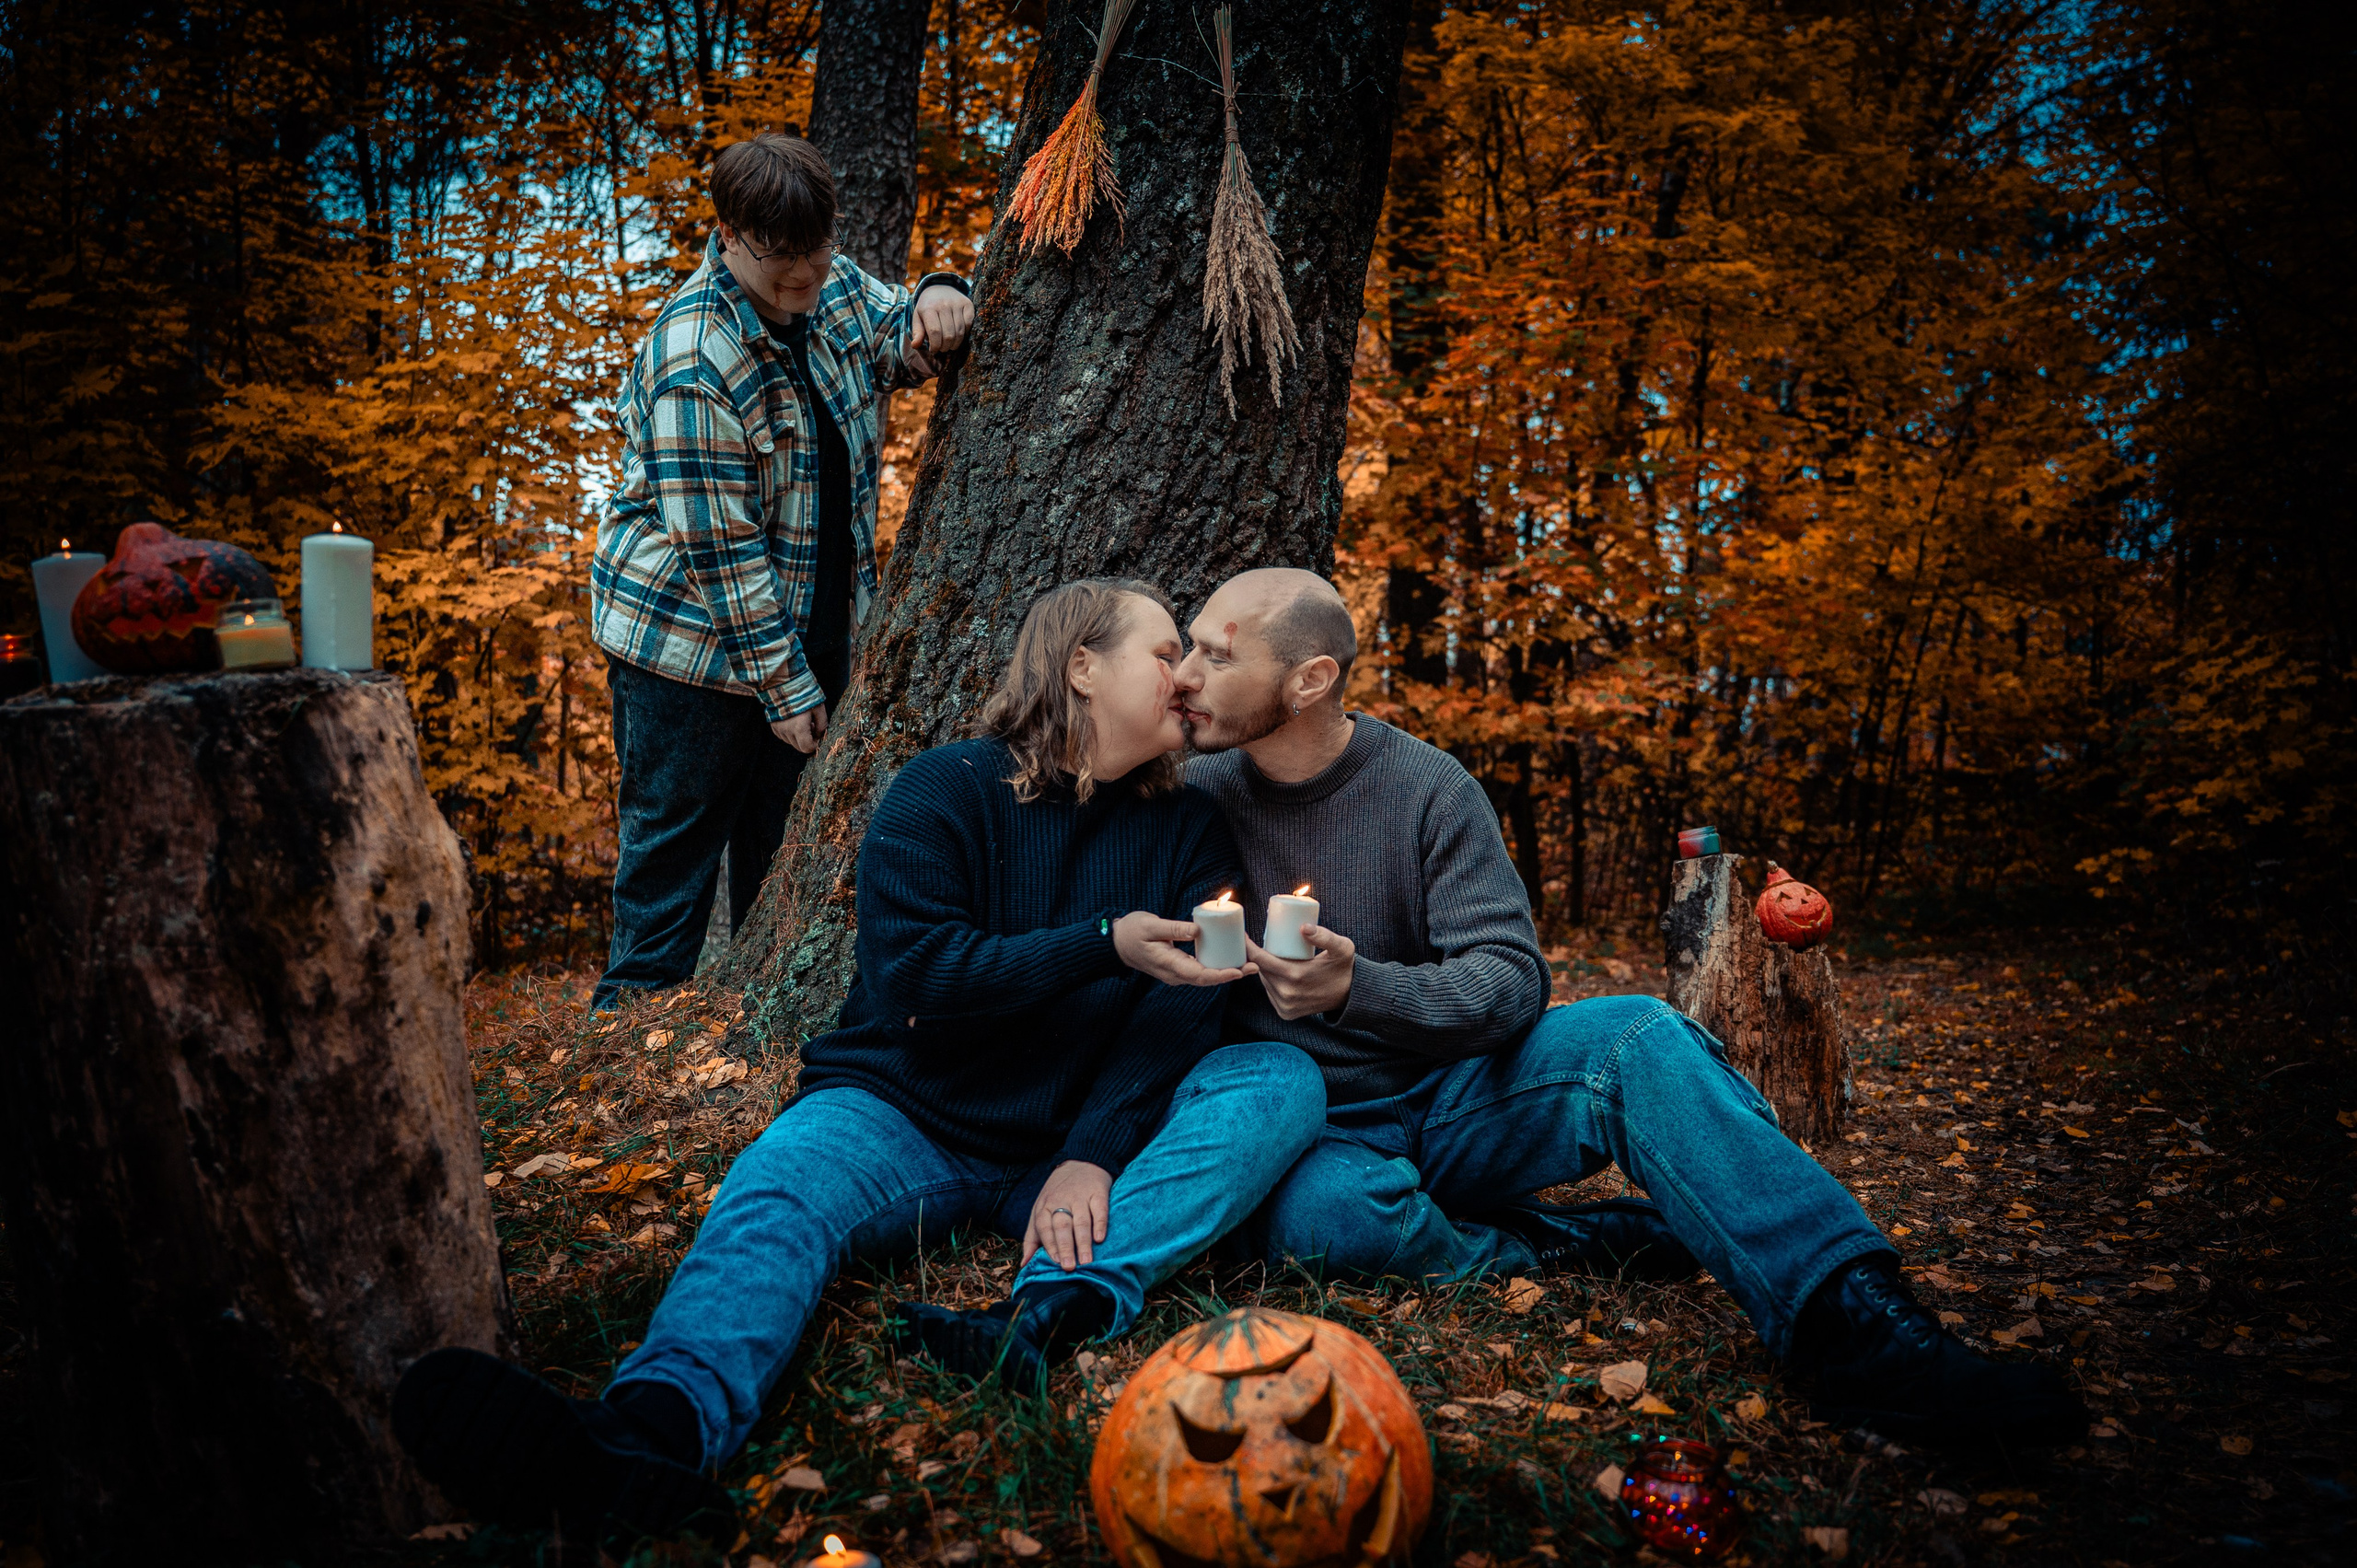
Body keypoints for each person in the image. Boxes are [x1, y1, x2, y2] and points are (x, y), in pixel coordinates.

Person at [393, 579, 1327, 1538]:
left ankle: (1040, 1317)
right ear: (1081, 667)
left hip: (1067, 1148)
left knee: (1276, 1080)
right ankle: (650, 1433)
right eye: (1165, 650)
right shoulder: (947, 788)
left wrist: (1093, 1148)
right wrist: (1100, 941)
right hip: (906, 1113)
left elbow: (1175, 1022)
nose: (1185, 676)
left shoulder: (1189, 827)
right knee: (779, 1189)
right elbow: (919, 973)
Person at [1173, 566, 2086, 1448]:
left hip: (1458, 1097)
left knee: (1638, 1035)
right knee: (1322, 1223)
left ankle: (1852, 1316)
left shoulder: (1425, 787)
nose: (1186, 675)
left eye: (1216, 654)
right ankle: (1558, 1242)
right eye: (1187, 649)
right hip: (1313, 1129)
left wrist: (1359, 986)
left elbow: (1508, 980)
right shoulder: (1189, 794)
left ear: (1308, 679)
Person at [587, 132, 977, 1011]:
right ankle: (621, 1070)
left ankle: (748, 1060)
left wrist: (940, 295)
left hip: (805, 629)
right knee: (669, 882)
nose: (805, 275)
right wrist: (787, 688)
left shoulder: (826, 283)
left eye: (819, 248)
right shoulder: (694, 357)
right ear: (729, 234)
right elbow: (722, 558)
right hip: (687, 655)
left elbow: (897, 334)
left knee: (781, 871)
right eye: (782, 258)